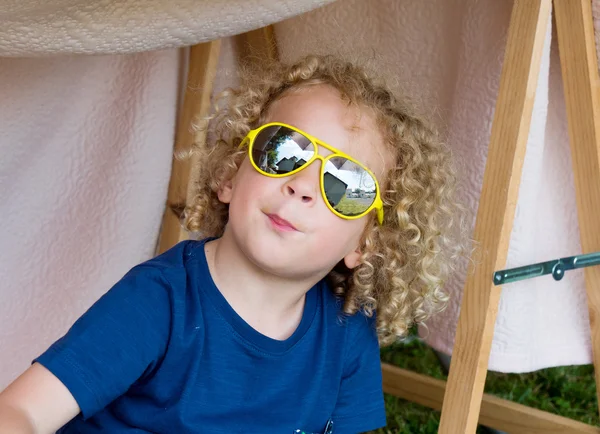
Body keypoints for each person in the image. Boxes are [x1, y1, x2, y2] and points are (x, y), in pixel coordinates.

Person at [0, 54, 467, 433]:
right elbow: (21, 413)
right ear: (230, 174)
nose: (303, 185)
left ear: (366, 242)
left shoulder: (345, 331)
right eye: (283, 151)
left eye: (344, 184)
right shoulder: (160, 302)